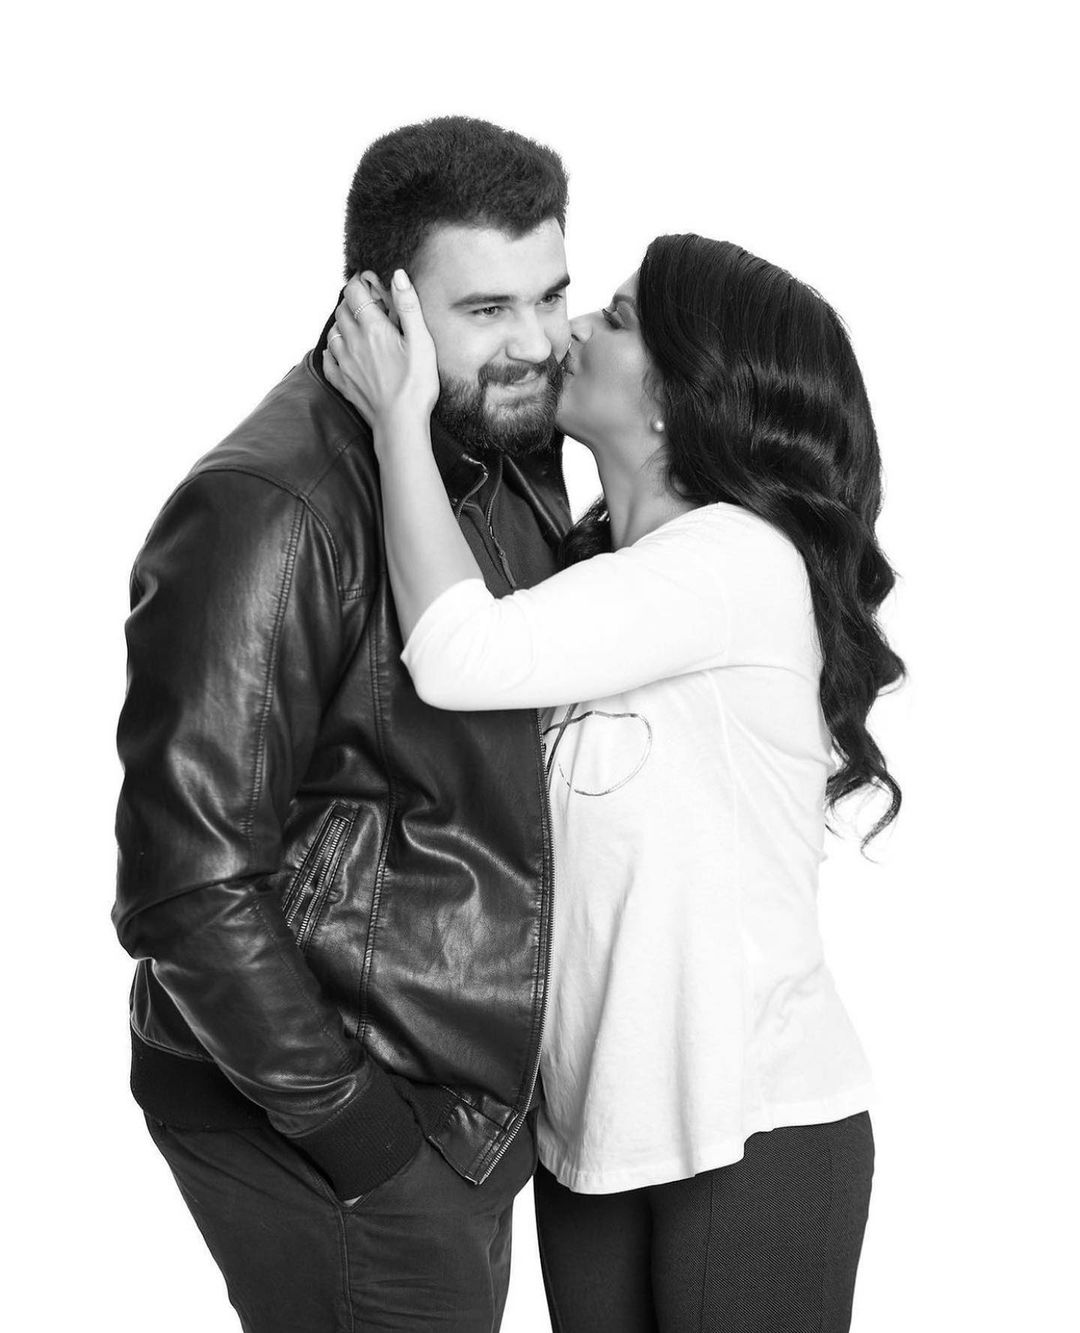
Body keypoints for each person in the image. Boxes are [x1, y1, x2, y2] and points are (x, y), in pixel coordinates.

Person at [322, 233, 905, 1332]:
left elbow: (457, 651)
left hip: (751, 1130)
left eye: (621, 318)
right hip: (592, 1144)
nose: (577, 327)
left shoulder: (737, 560)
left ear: (682, 401)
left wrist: (399, 417)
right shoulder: (599, 582)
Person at [113, 116, 577, 1332]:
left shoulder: (490, 440)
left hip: (451, 1098)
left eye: (552, 295)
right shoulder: (272, 507)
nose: (537, 342)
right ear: (380, 302)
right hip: (339, 1106)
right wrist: (365, 1138)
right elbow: (189, 883)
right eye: (488, 308)